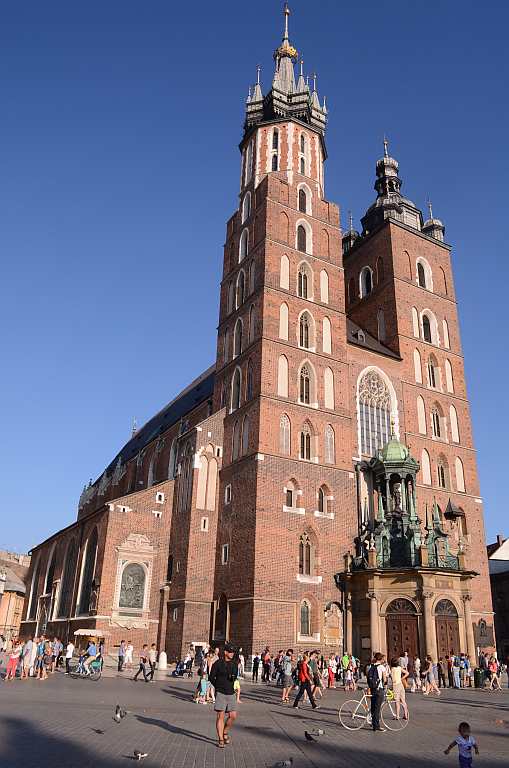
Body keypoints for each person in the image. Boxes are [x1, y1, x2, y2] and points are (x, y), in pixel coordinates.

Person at [209, 642, 239, 749]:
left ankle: (225, 731)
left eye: (233, 652)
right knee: (220, 716)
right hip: (221, 692)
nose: (232, 654)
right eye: (230, 652)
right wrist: (218, 687)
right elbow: (211, 677)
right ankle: (221, 738)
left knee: (233, 716)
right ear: (225, 652)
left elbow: (235, 677)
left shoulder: (234, 664)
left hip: (231, 693)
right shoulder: (218, 663)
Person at [367, 652, 387, 732]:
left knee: (373, 706)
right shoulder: (382, 667)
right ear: (381, 659)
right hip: (379, 689)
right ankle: (376, 726)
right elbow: (385, 679)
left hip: (373, 688)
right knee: (377, 708)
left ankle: (373, 722)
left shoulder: (371, 666)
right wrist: (385, 687)